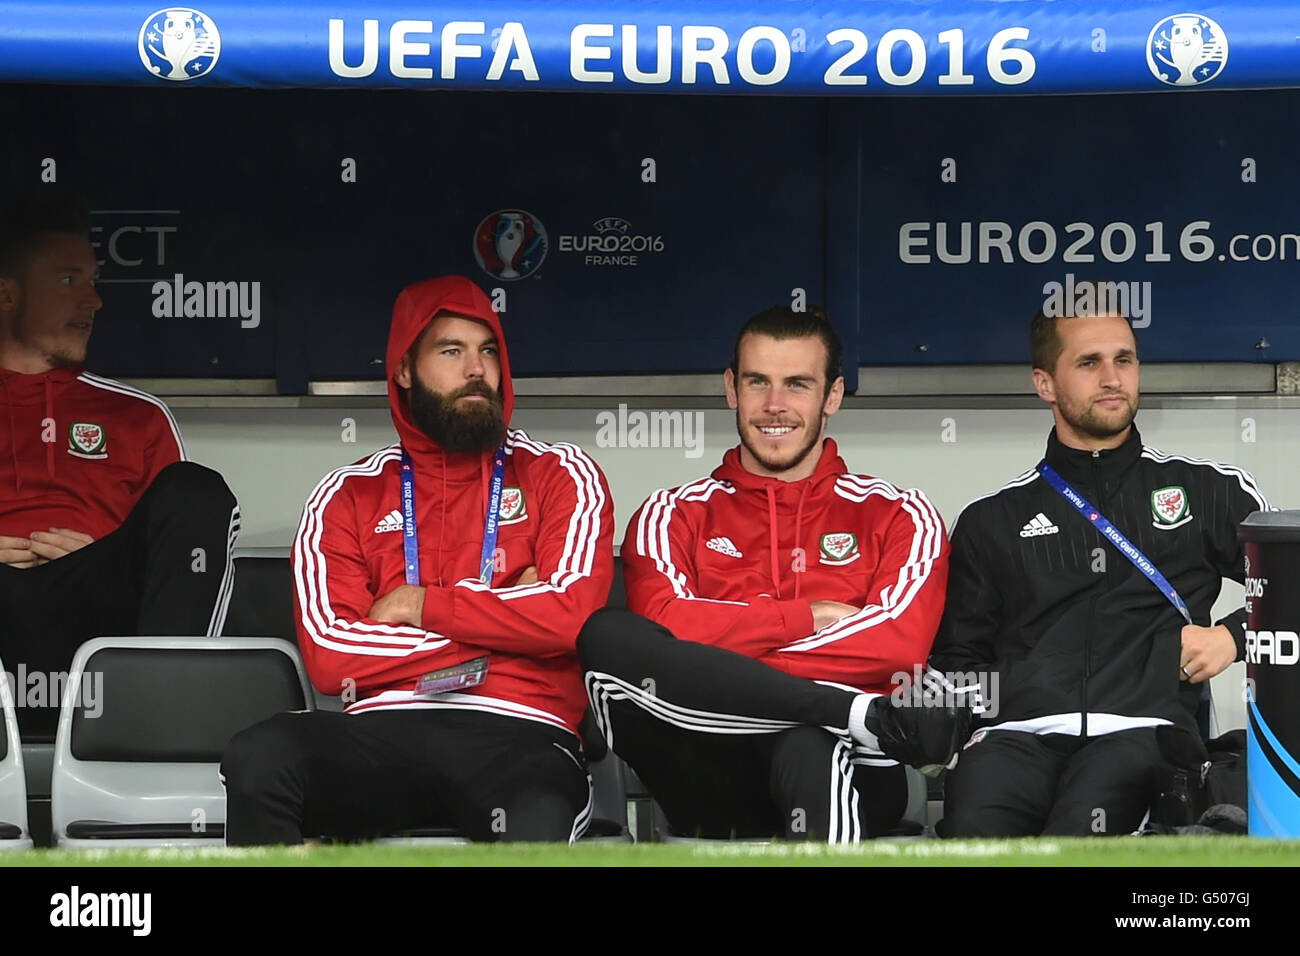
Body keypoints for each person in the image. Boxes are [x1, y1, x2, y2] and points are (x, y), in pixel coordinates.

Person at [221, 275, 614, 845]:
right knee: (261, 755)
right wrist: (512, 619)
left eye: (488, 351)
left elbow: (571, 617)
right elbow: (334, 657)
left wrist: (418, 605)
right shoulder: (348, 494)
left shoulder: (561, 472)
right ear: (404, 370)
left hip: (522, 733)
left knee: (535, 817)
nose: (476, 368)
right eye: (451, 351)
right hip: (383, 732)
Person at [579, 307, 963, 843]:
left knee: (809, 744)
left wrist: (717, 667)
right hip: (707, 768)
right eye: (758, 382)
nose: (774, 405)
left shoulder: (899, 511)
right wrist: (804, 618)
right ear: (731, 388)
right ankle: (856, 711)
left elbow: (898, 647)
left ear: (832, 396)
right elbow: (658, 637)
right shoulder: (670, 513)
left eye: (797, 384)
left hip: (851, 761)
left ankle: (845, 720)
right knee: (607, 635)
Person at [929, 284, 1270, 837]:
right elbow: (957, 662)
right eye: (1089, 363)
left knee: (1084, 829)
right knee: (974, 831)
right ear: (1045, 383)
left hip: (1144, 736)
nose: (1113, 378)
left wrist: (1233, 637)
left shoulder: (1205, 490)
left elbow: (1291, 587)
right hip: (1013, 740)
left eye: (1124, 359)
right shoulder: (990, 519)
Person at [0, 195, 239, 739]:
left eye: (93, 281)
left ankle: (161, 721)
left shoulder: (137, 415)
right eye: (68, 281)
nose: (94, 300)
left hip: (100, 628)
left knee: (197, 488)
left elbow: (175, 549)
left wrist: (102, 558)